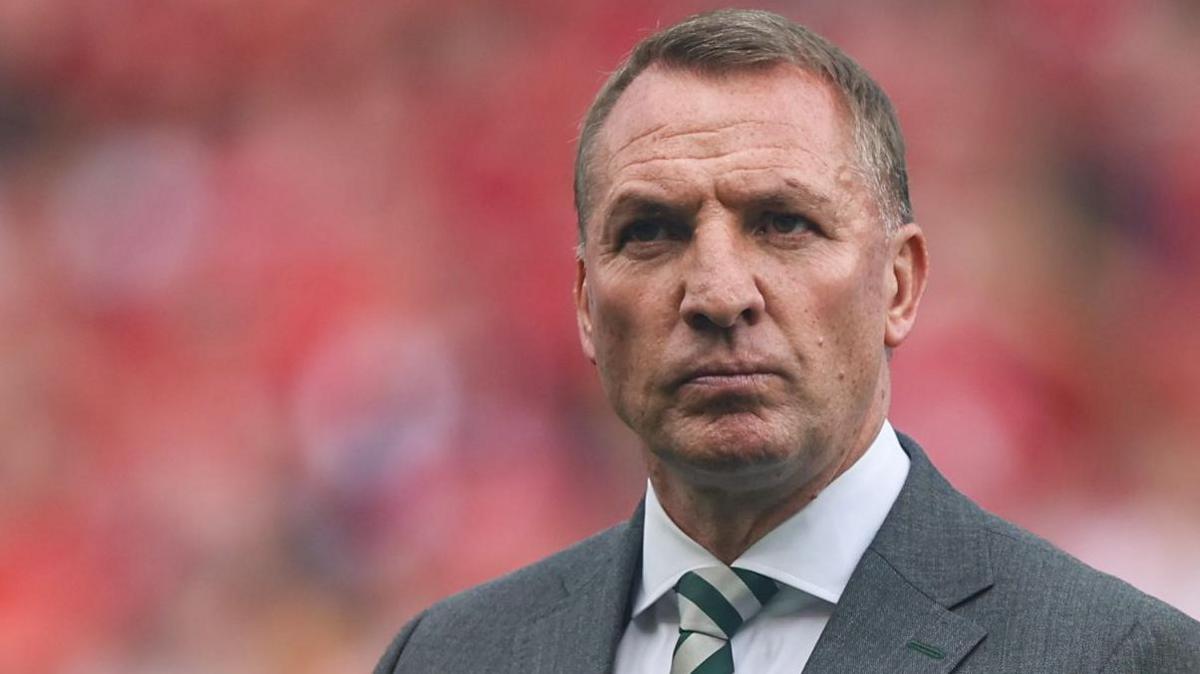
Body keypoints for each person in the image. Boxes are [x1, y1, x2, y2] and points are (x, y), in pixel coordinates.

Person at [375, 9, 1200, 673]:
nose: (718, 294)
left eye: (784, 223)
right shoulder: (448, 656)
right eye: (652, 231)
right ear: (588, 305)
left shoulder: (1114, 657)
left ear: (899, 285)